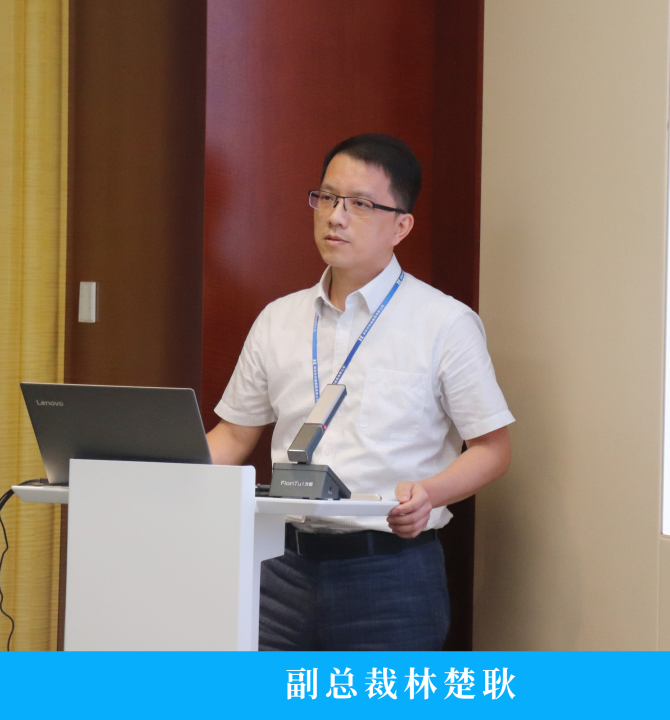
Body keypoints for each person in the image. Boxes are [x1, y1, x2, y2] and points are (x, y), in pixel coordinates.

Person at [206, 133, 514, 650]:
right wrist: (153, 472)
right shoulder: (278, 319)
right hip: (279, 568)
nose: (336, 216)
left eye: (361, 204)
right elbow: (234, 436)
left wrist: (431, 493)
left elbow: (492, 448)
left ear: (401, 226)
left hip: (390, 572)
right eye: (327, 197)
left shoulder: (443, 323)